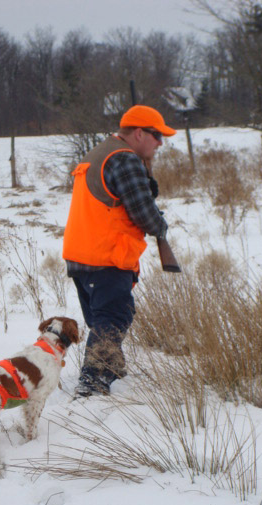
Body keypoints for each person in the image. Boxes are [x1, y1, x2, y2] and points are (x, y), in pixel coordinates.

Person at [63, 104, 177, 397]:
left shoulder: (99, 153)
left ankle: (112, 370)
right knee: (113, 317)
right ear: (139, 133)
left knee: (103, 319)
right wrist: (161, 228)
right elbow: (143, 212)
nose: (160, 143)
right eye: (156, 135)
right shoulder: (124, 160)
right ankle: (92, 384)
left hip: (82, 255)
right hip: (107, 257)